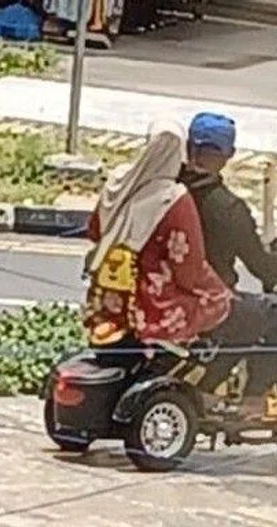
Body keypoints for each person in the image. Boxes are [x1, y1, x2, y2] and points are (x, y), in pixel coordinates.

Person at [179, 112, 277, 420]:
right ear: (229, 155)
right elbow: (262, 267)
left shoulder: (167, 189)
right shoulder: (228, 208)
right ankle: (253, 398)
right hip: (208, 303)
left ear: (188, 146)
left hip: (165, 294)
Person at [82, 119, 233, 363]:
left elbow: (94, 231)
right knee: (219, 302)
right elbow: (187, 267)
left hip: (104, 297)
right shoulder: (174, 198)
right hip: (150, 304)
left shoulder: (118, 183)